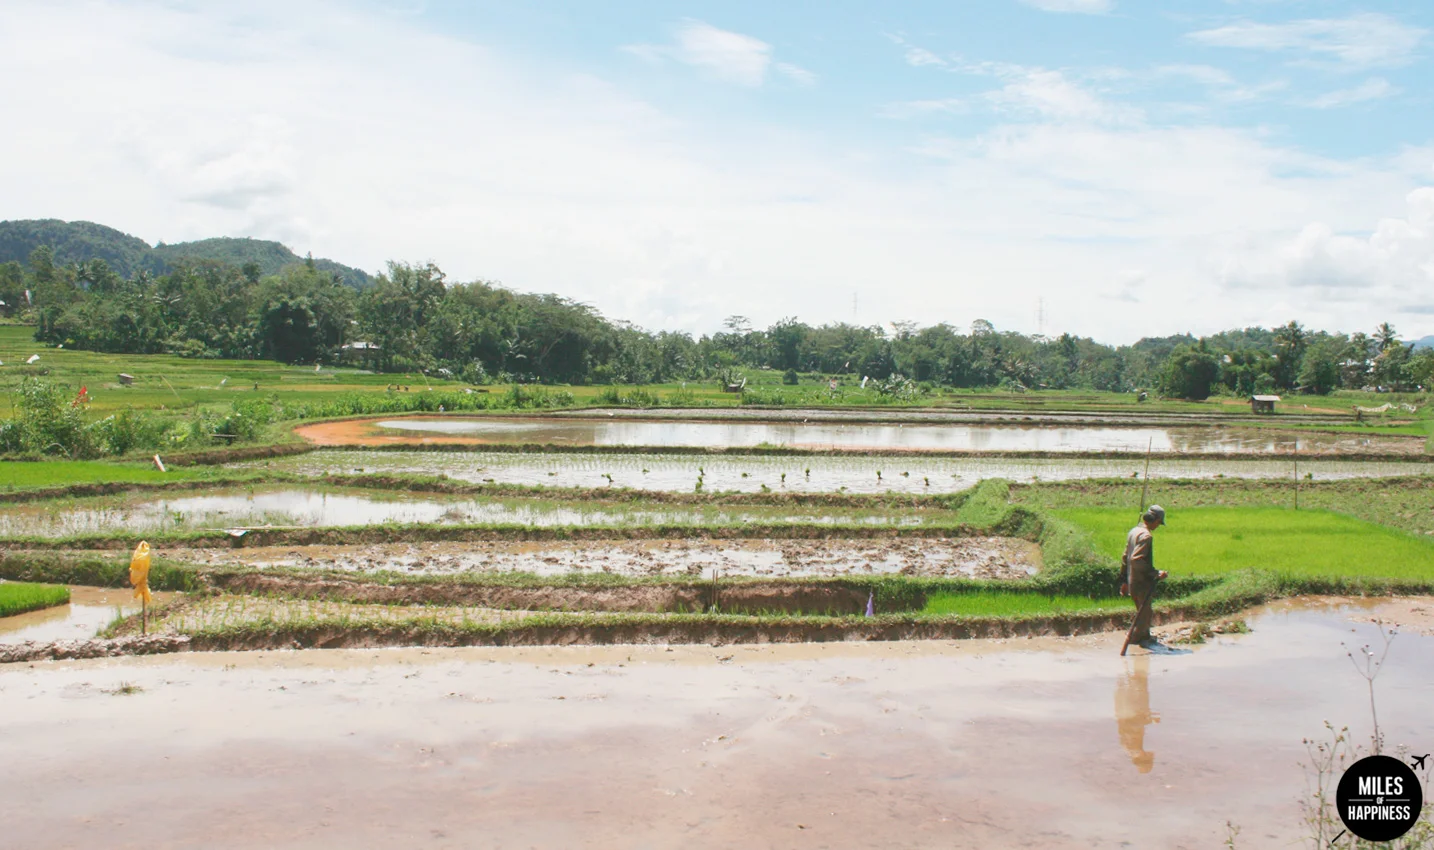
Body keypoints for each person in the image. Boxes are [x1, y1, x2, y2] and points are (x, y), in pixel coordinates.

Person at [1120, 505, 1168, 647]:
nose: (1158, 526)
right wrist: (1156, 573)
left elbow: (1124, 557)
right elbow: (1136, 559)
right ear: (1155, 520)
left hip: (1131, 579)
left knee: (1143, 612)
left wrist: (1123, 581)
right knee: (1145, 614)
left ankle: (1145, 638)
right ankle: (1134, 640)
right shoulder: (1146, 536)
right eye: (1159, 523)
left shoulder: (1134, 531)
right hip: (1141, 582)